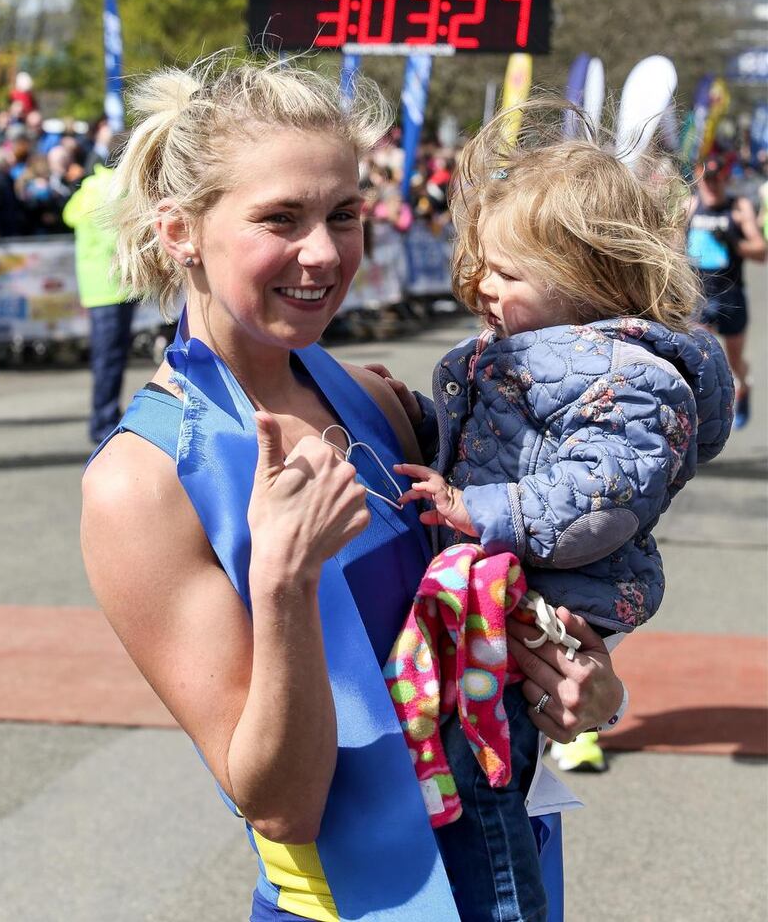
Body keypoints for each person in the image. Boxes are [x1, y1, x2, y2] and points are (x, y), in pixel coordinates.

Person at [80, 57, 628, 922]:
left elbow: (491, 602)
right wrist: (285, 582)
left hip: (506, 873)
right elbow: (282, 805)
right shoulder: (141, 483)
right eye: (280, 219)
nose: (325, 252)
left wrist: (578, 673)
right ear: (180, 230)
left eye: (345, 214)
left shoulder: (373, 398)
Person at [370, 112, 734, 921]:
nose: (480, 287)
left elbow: (597, 496)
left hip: (550, 598)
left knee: (486, 782)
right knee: (470, 767)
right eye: (479, 266)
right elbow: (496, 446)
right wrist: (423, 421)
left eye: (504, 272)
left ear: (586, 277)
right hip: (508, 577)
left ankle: (506, 905)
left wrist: (476, 508)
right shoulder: (537, 350)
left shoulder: (628, 377)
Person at [63, 135, 136, 444]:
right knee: (111, 358)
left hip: (95, 287)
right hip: (113, 284)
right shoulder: (117, 190)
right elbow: (121, 235)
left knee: (106, 357)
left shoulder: (90, 185)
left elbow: (69, 215)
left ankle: (105, 416)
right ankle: (103, 421)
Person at [687, 153, 767, 428]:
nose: (711, 185)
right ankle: (703, 417)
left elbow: (760, 251)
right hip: (700, 296)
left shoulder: (739, 207)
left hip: (731, 296)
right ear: (699, 177)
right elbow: (673, 251)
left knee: (734, 360)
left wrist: (734, 241)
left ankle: (744, 385)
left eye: (716, 180)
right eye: (706, 179)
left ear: (724, 178)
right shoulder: (690, 205)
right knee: (700, 357)